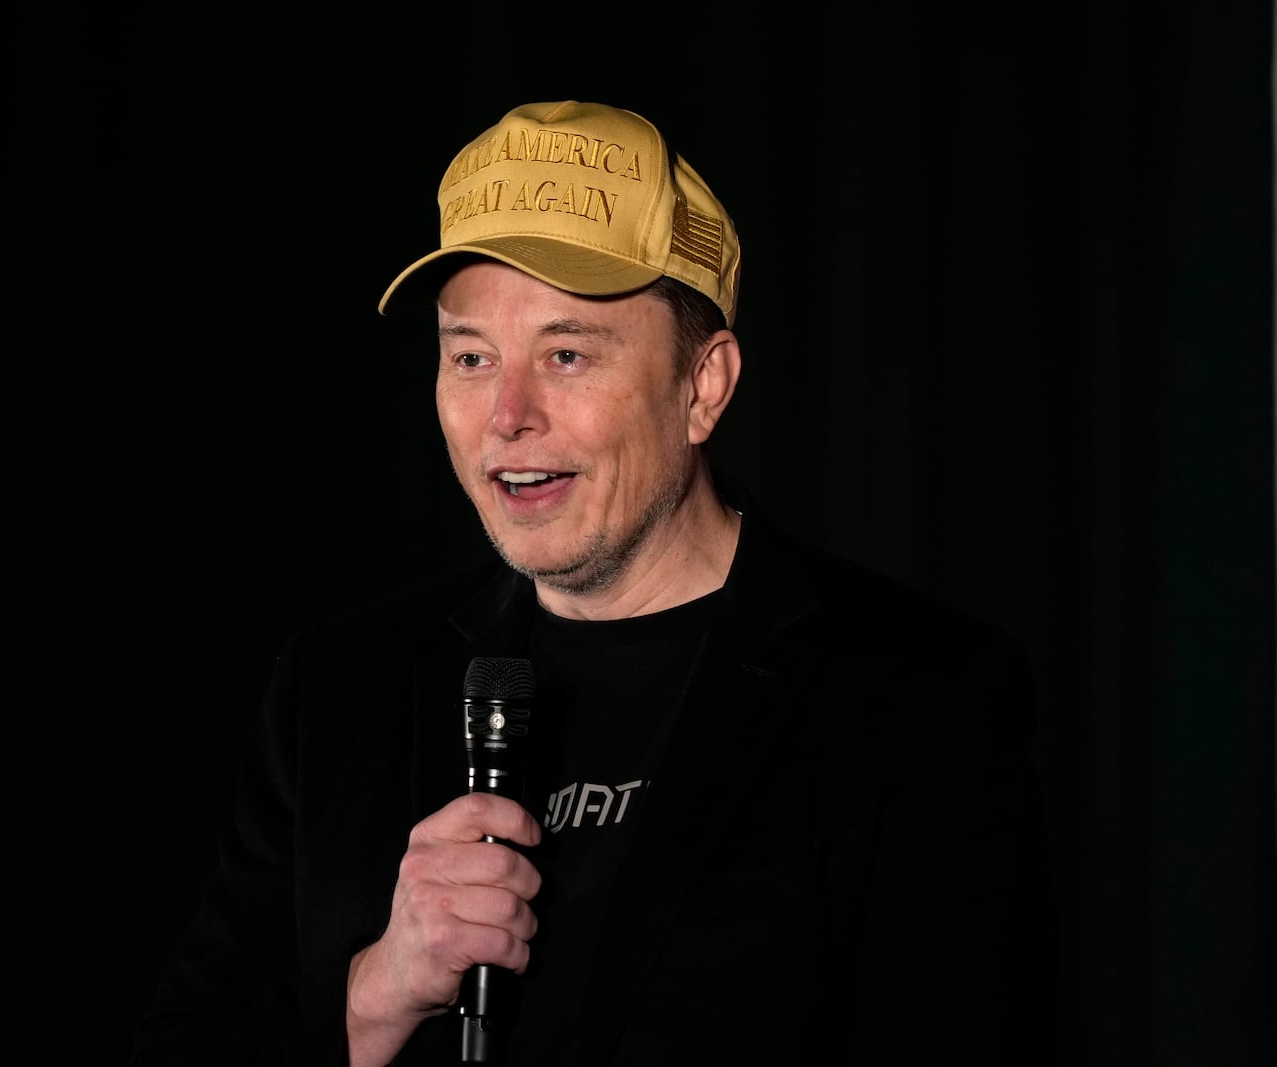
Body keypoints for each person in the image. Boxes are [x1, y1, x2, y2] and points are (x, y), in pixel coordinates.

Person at [129, 99, 1062, 1065]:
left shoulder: (915, 697)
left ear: (703, 387)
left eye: (567, 354)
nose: (508, 415)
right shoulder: (338, 689)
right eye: (471, 357)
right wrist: (379, 989)